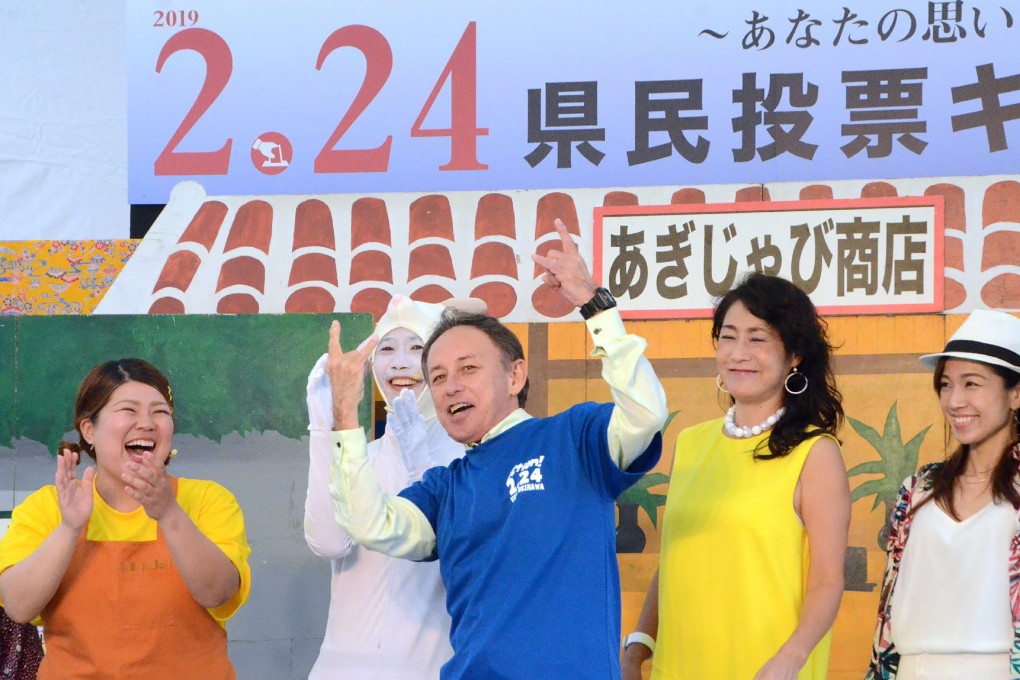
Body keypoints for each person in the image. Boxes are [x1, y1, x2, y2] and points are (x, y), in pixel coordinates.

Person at [324, 218, 667, 679]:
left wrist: (595, 306)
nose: (450, 387)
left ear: (515, 376)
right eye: (438, 377)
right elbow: (370, 524)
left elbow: (644, 416)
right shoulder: (445, 486)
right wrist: (344, 415)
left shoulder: (573, 439)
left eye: (468, 368)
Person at [623, 272, 850, 680]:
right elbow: (676, 558)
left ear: (794, 355)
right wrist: (640, 640)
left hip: (765, 668)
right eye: (728, 337)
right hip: (679, 666)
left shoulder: (814, 452)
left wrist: (790, 659)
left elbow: (828, 582)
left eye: (757, 339)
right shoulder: (692, 443)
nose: (738, 353)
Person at [0, 358, 250, 680]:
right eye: (129, 410)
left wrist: (169, 513)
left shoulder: (208, 501)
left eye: (160, 412)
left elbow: (218, 592)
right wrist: (69, 528)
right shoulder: (48, 507)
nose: (146, 423)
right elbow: (19, 606)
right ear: (89, 429)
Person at [304, 295, 467, 679]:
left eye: (416, 348)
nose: (399, 361)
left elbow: (459, 561)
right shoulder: (359, 454)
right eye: (387, 348)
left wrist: (421, 470)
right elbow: (327, 543)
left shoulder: (468, 460)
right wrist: (325, 424)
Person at [866, 309, 1020, 680]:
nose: (954, 401)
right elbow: (888, 608)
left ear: (1015, 394)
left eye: (972, 384)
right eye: (946, 384)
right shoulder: (918, 489)